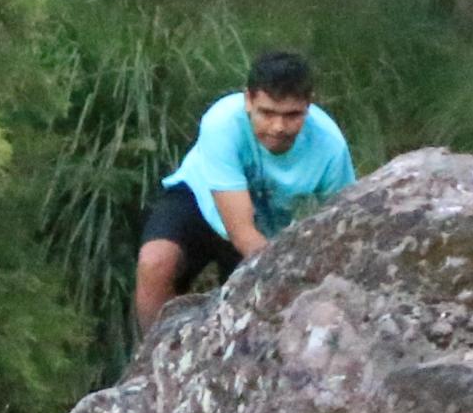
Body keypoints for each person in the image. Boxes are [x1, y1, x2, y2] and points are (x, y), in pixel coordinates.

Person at [134, 48, 355, 334]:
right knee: (155, 263)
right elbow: (241, 232)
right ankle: (151, 361)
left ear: (308, 106)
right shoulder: (222, 124)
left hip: (266, 225)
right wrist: (285, 277)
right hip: (201, 201)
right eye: (267, 113)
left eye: (292, 115)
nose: (278, 127)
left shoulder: (330, 147)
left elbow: (347, 222)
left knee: (250, 323)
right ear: (248, 100)